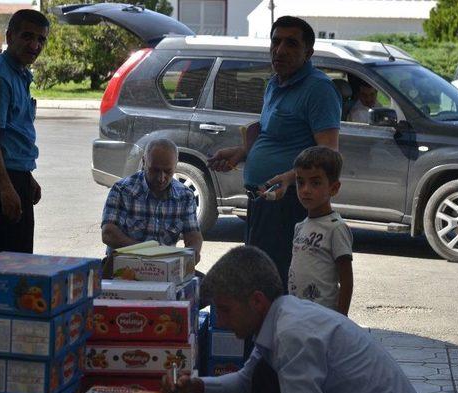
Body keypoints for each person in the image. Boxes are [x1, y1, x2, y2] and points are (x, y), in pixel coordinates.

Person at [161, 246, 431, 393]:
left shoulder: (293, 335)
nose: (219, 320)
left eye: (225, 309)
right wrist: (196, 387)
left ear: (256, 301)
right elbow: (246, 384)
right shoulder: (280, 316)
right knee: (263, 381)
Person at [207, 16, 341, 291]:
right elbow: (272, 136)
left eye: (291, 43)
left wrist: (291, 178)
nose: (280, 50)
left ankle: (275, 333)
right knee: (257, 279)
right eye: (276, 41)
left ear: (308, 53)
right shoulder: (274, 84)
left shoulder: (319, 89)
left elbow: (328, 154)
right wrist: (241, 152)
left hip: (288, 202)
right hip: (262, 198)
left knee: (274, 282)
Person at [0, 9, 49, 256]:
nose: (35, 45)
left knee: (20, 265)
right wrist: (6, 188)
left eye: (41, 39)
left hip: (16, 179)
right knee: (3, 272)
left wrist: (26, 177)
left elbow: (13, 136)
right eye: (27, 36)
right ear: (10, 35)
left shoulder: (20, 74)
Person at [101, 139, 203, 263]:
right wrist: (147, 253)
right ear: (144, 162)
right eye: (155, 170)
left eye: (168, 171)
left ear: (176, 165)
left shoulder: (185, 196)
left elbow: (193, 236)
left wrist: (192, 254)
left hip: (165, 268)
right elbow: (108, 233)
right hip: (125, 268)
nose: (161, 178)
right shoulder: (122, 190)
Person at [288, 146, 354, 315]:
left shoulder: (336, 228)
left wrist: (340, 319)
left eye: (315, 183)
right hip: (298, 313)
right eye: (300, 182)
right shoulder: (300, 227)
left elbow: (346, 280)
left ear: (334, 188)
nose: (305, 190)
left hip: (323, 317)